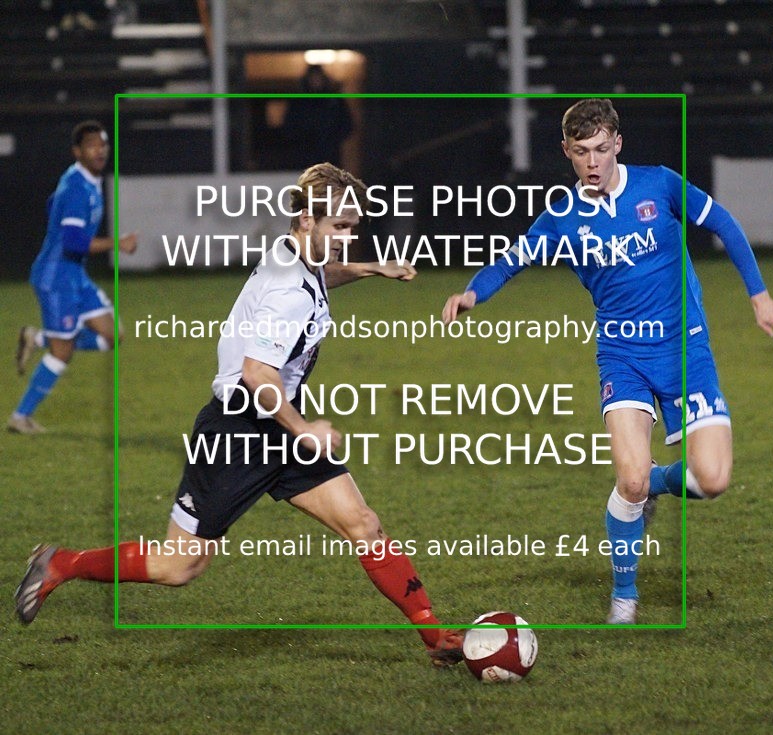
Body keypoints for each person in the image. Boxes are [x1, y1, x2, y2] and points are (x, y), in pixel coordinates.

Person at [15, 162, 464, 667]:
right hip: (238, 429)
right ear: (309, 219)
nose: (346, 238)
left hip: (275, 424)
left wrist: (368, 268)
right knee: (179, 565)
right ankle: (61, 563)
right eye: (340, 227)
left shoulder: (295, 252)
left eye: (353, 227)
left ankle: (437, 637)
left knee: (362, 522)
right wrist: (305, 429)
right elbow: (257, 374)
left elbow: (318, 276)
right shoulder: (286, 292)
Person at [442, 99, 773, 624]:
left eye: (602, 149)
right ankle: (624, 597)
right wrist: (472, 295)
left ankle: (656, 480)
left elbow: (724, 222)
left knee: (713, 480)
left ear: (618, 145)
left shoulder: (659, 185)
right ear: (566, 151)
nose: (593, 161)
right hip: (622, 355)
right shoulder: (560, 220)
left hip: (686, 349)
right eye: (581, 151)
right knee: (627, 481)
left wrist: (759, 296)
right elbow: (511, 261)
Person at [9, 120, 137, 434]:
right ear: (77, 151)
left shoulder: (85, 179)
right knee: (62, 352)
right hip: (55, 279)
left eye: (103, 144)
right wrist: (117, 243)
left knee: (111, 335)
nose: (100, 149)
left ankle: (37, 338)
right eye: (92, 144)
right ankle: (19, 417)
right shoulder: (77, 187)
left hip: (73, 273)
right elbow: (74, 242)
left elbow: (52, 206)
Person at [282, 65, 355, 167]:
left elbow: (347, 125)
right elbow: (289, 128)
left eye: (318, 78)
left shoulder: (335, 101)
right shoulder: (298, 102)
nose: (315, 81)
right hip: (305, 157)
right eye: (313, 78)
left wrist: (331, 139)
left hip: (330, 157)